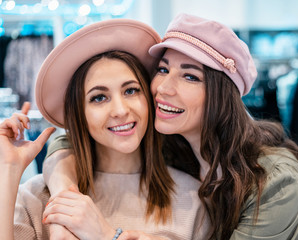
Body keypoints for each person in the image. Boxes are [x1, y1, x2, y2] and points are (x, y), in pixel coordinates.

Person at [43, 14, 298, 240]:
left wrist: (106, 235)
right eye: (162, 70)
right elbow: (69, 142)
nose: (163, 87)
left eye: (189, 76)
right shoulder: (167, 140)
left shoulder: (275, 182)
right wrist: (64, 198)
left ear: (222, 94)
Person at [0, 18, 209, 240]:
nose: (120, 110)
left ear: (149, 98)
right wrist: (9, 168)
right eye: (99, 97)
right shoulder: (38, 197)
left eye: (131, 91)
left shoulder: (193, 200)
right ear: (79, 113)